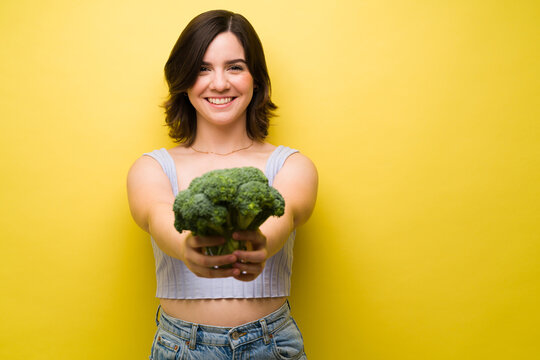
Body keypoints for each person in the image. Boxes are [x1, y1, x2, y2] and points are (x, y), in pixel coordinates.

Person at [127, 9, 318, 359]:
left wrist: (259, 243)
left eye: (235, 67)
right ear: (184, 80)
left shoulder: (291, 165)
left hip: (272, 346)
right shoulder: (151, 168)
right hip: (181, 348)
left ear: (255, 79)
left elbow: (285, 211)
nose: (219, 83)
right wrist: (189, 246)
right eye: (202, 68)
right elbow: (158, 214)